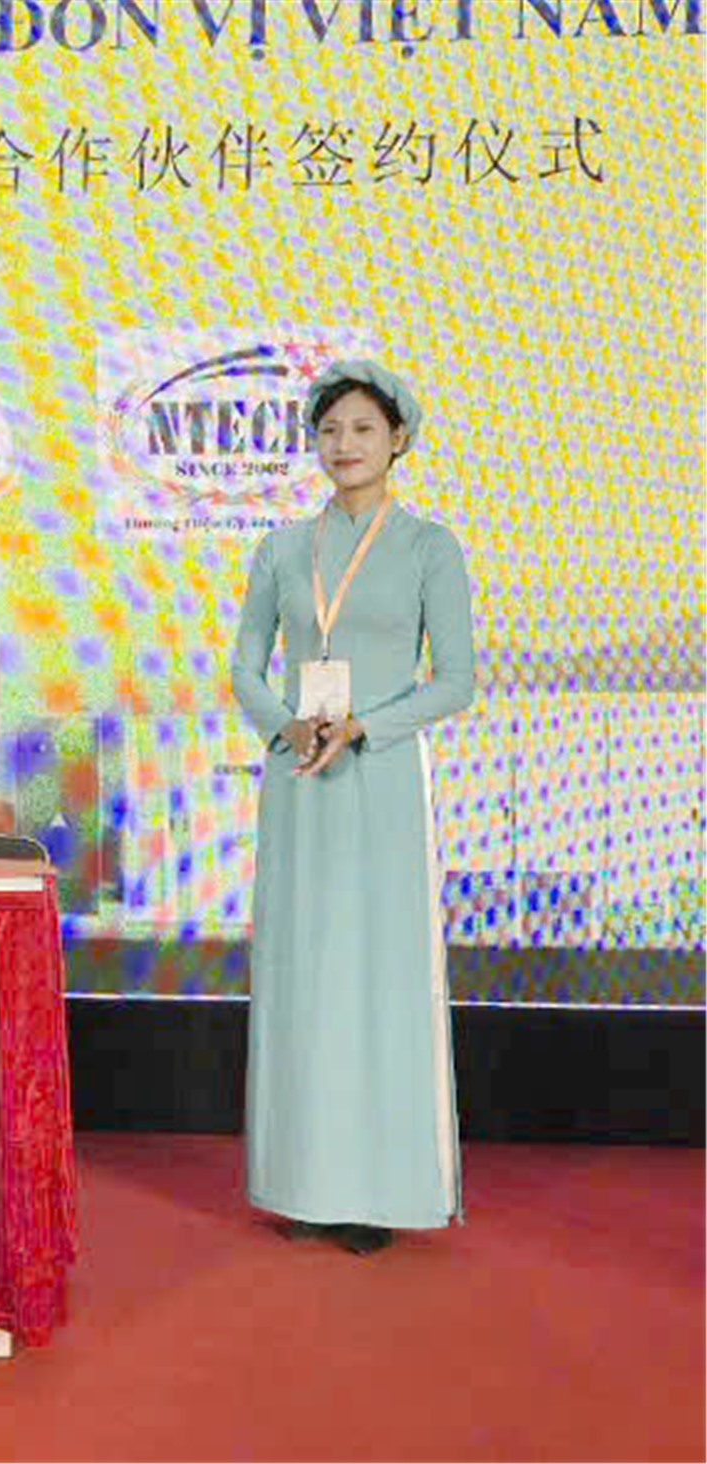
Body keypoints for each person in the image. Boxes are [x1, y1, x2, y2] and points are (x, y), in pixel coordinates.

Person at [230, 359, 476, 1257]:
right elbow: (246, 667)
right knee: (302, 975)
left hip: (382, 781)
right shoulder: (282, 549)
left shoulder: (429, 547)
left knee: (378, 979)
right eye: (330, 430)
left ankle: (378, 1191)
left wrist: (366, 726)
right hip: (300, 780)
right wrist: (287, 725)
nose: (344, 445)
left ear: (398, 439)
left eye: (364, 429)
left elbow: (456, 680)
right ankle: (304, 1183)